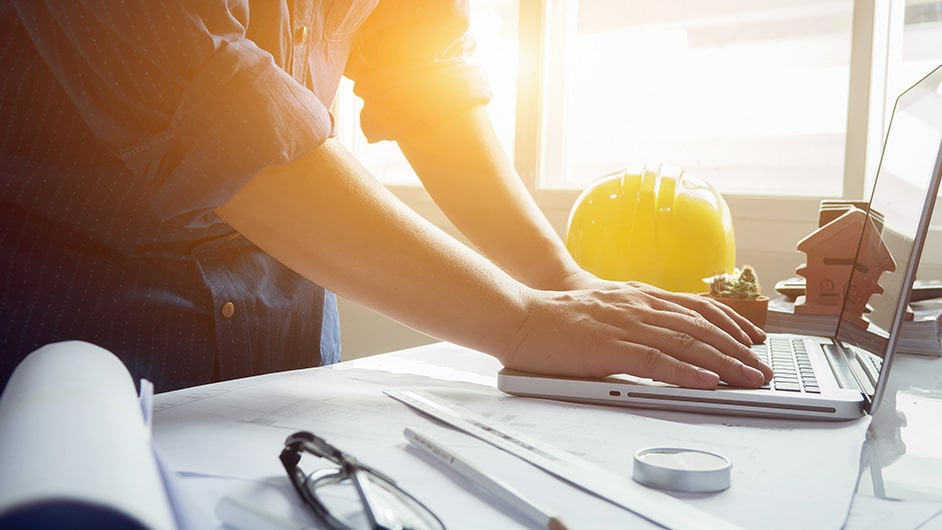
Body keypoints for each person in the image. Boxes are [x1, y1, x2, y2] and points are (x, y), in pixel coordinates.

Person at [0, 1, 772, 393]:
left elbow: (423, 67)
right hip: (73, 333)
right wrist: (524, 321)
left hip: (290, 324)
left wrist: (555, 278)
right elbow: (216, 113)